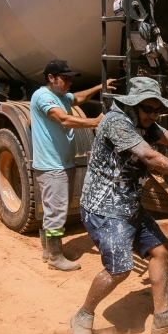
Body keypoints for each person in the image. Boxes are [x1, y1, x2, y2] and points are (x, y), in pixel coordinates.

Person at [70, 77, 168, 334]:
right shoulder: (116, 122)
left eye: (156, 110)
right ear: (133, 105)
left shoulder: (143, 123)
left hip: (128, 205)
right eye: (148, 109)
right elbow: (150, 157)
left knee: (161, 251)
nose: (153, 115)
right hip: (105, 210)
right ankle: (83, 316)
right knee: (119, 269)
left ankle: (162, 317)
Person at [31, 59, 115, 271]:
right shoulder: (43, 97)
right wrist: (96, 122)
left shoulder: (60, 96)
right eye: (65, 79)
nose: (69, 83)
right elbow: (65, 120)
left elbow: (76, 99)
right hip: (52, 166)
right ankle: (55, 257)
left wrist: (98, 87)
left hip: (61, 162)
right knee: (57, 211)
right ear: (51, 78)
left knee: (54, 208)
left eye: (70, 79)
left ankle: (47, 249)